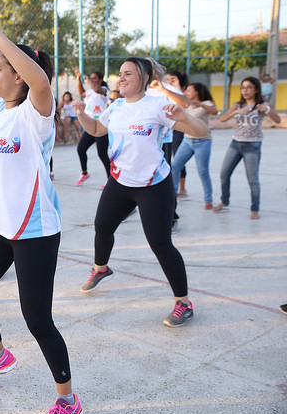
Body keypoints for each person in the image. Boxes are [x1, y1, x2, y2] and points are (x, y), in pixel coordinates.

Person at [0, 7, 83, 414]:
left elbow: (41, 81)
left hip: (35, 230)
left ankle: (67, 399)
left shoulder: (34, 115)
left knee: (37, 318)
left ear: (18, 75)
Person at [74, 57, 208, 329]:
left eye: (128, 74)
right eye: (120, 74)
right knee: (102, 226)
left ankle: (184, 302)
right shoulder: (117, 106)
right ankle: (101, 269)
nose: (120, 79)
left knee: (160, 243)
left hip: (153, 185)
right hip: (120, 181)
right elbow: (98, 129)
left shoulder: (158, 106)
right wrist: (81, 114)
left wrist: (184, 118)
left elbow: (203, 131)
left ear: (145, 79)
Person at [214, 76, 280, 219]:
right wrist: (236, 112)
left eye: (249, 87)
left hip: (253, 146)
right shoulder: (237, 105)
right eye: (243, 87)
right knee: (224, 174)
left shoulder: (262, 105)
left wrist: (267, 109)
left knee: (252, 179)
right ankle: (224, 201)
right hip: (235, 144)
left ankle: (254, 209)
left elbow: (278, 120)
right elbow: (223, 119)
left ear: (256, 89)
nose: (245, 90)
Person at [171, 83, 218, 210]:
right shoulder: (187, 104)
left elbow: (215, 111)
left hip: (203, 142)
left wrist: (201, 104)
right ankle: (173, 194)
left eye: (189, 90)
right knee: (175, 166)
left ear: (197, 92)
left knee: (203, 171)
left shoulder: (207, 103)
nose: (187, 92)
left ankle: (208, 200)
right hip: (187, 140)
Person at [74, 69, 110, 187]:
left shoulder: (104, 91)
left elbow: (96, 89)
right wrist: (79, 79)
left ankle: (110, 179)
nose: (92, 80)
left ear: (100, 80)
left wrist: (88, 79)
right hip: (90, 126)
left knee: (102, 154)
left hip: (101, 127)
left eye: (95, 78)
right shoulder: (89, 91)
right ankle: (84, 173)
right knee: (81, 149)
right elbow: (82, 92)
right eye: (91, 78)